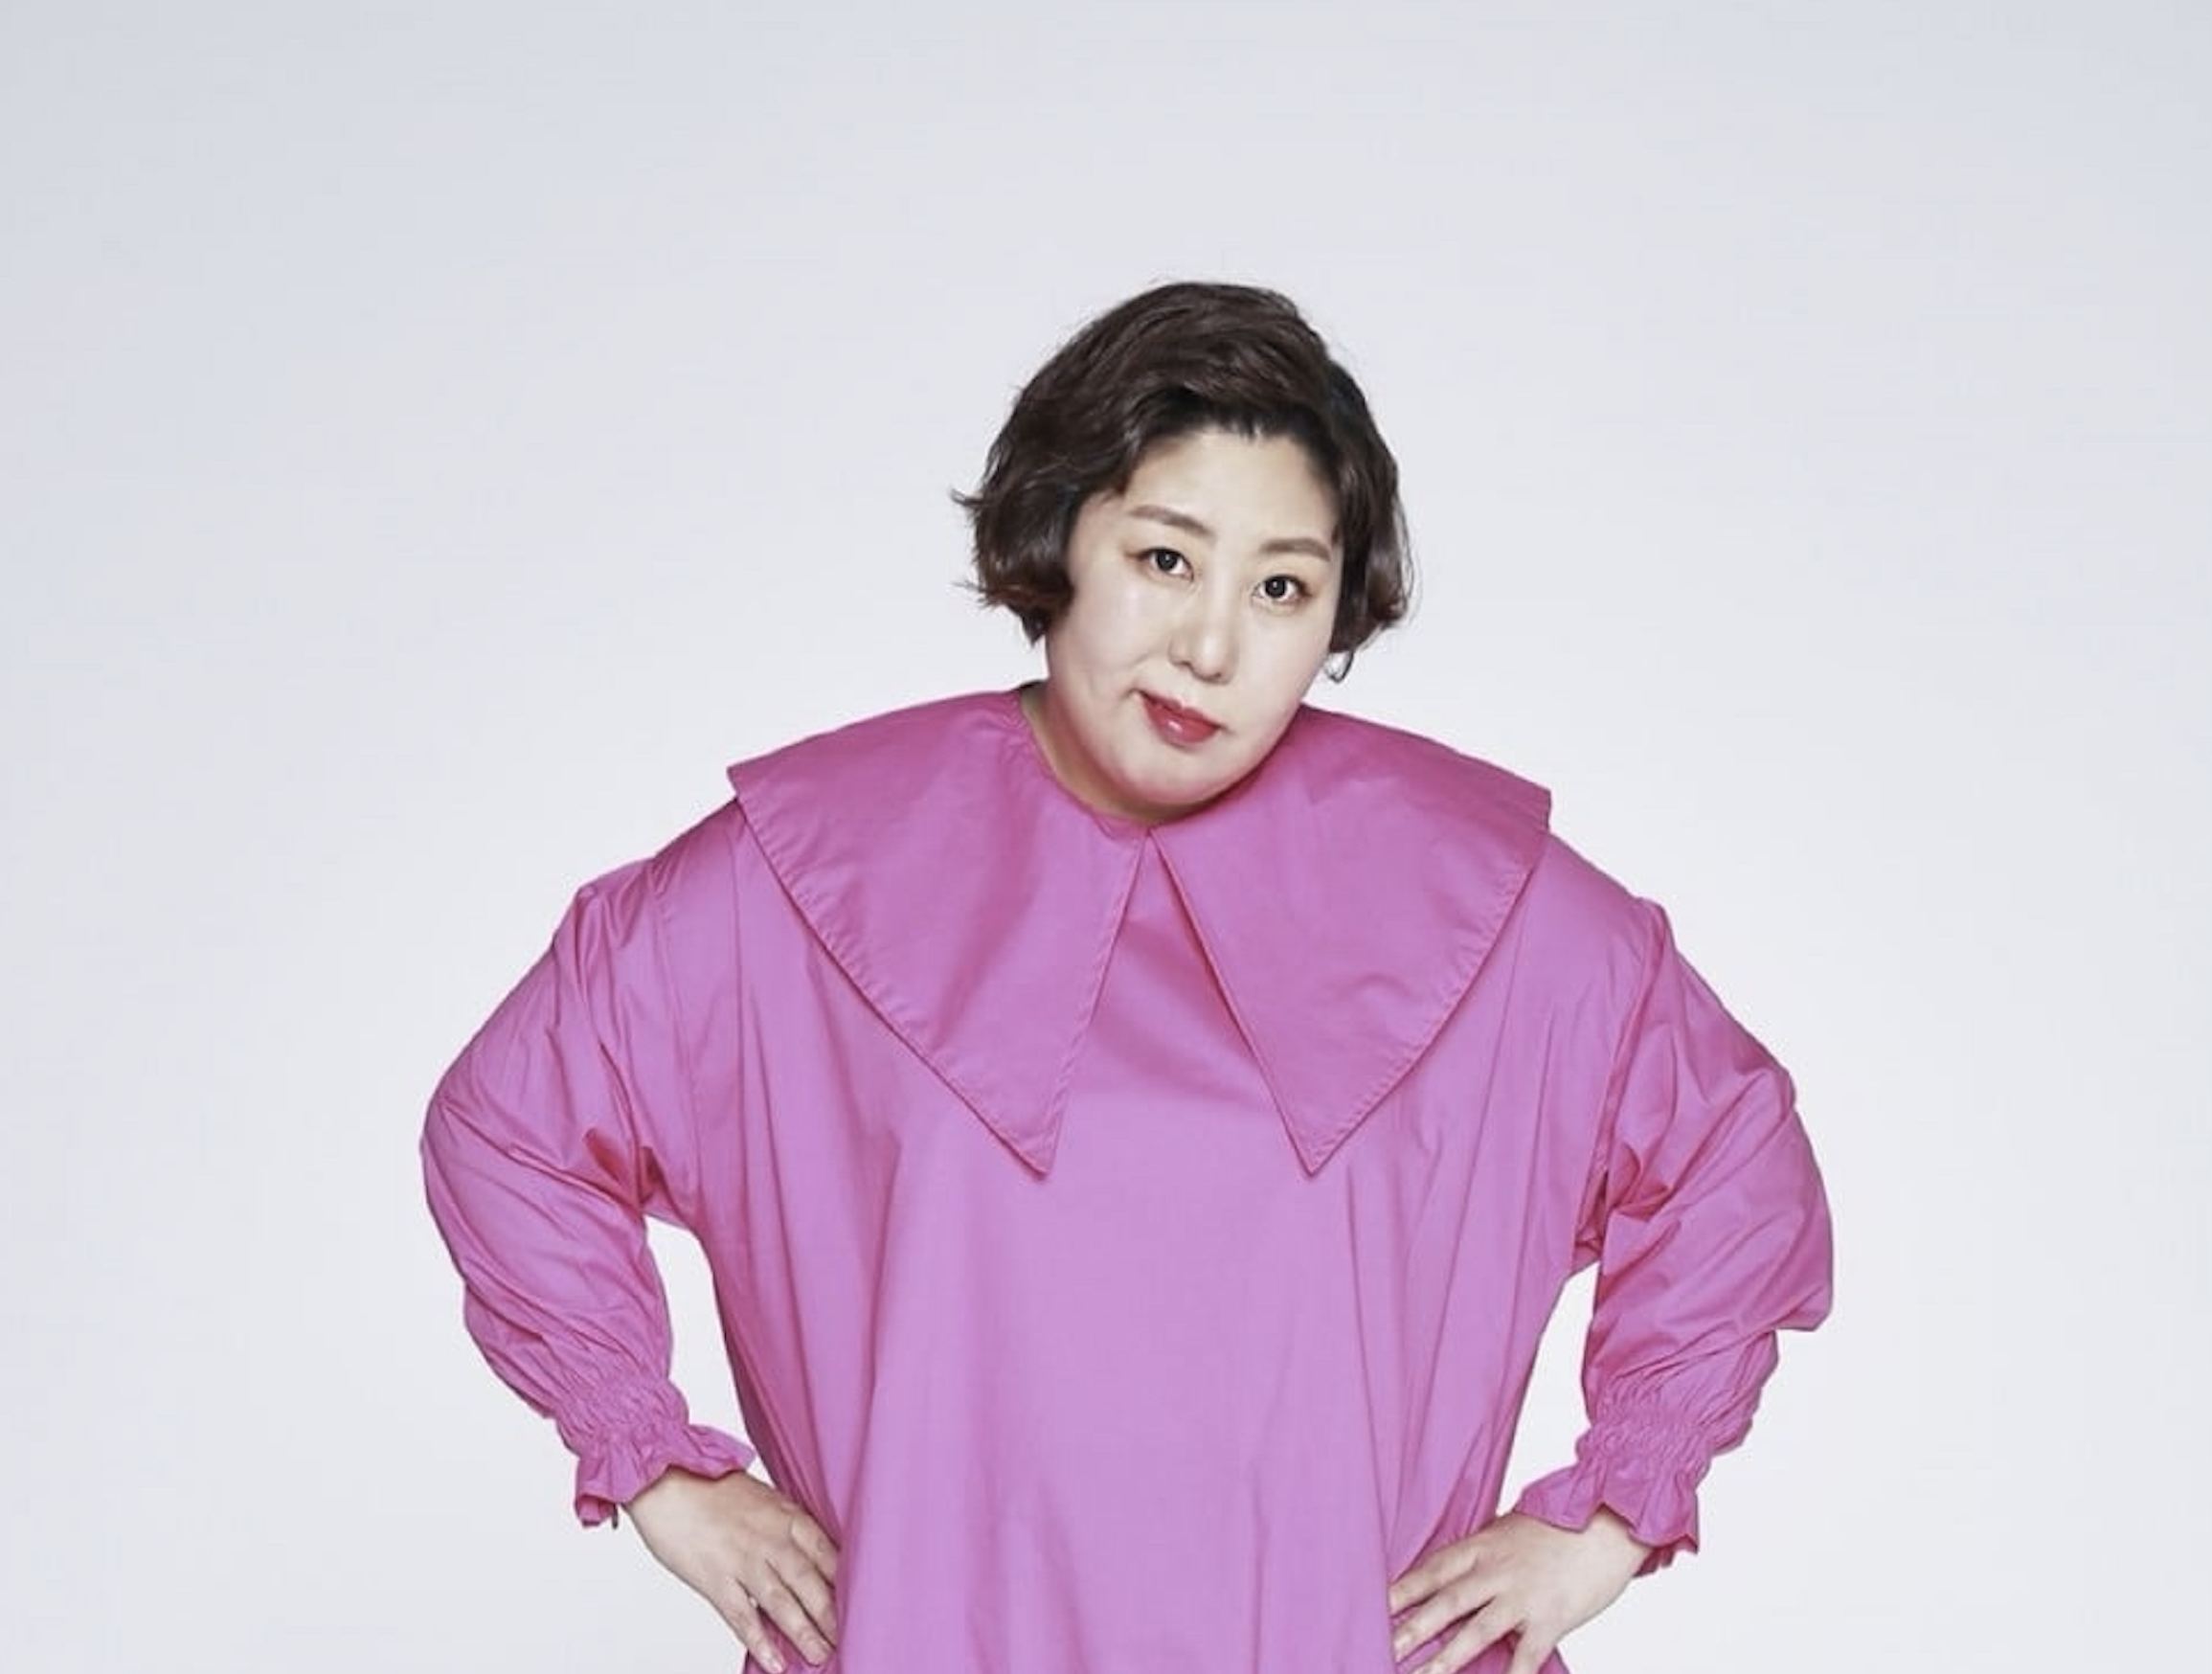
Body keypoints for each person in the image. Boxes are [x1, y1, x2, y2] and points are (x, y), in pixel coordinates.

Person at [421, 281, 1832, 1674]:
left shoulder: (1492, 907)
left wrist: (1606, 1520)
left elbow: (1729, 1163)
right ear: (1056, 540)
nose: (1211, 647)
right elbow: (512, 1129)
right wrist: (663, 1470)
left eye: (1281, 588)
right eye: (1165, 559)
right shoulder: (801, 875)